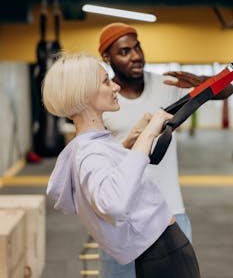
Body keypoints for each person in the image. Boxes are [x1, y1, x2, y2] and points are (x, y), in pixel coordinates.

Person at [42, 52, 201, 278]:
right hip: (164, 251)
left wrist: (128, 144)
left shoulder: (87, 146)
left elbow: (110, 175)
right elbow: (113, 202)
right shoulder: (89, 153)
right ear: (84, 94)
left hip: (157, 251)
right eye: (106, 81)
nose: (115, 87)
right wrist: (149, 134)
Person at [98, 22, 233, 278]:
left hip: (169, 213)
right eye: (124, 52)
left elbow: (225, 88)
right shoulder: (103, 99)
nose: (136, 56)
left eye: (137, 47)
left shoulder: (167, 84)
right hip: (121, 221)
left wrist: (205, 81)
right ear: (107, 57)